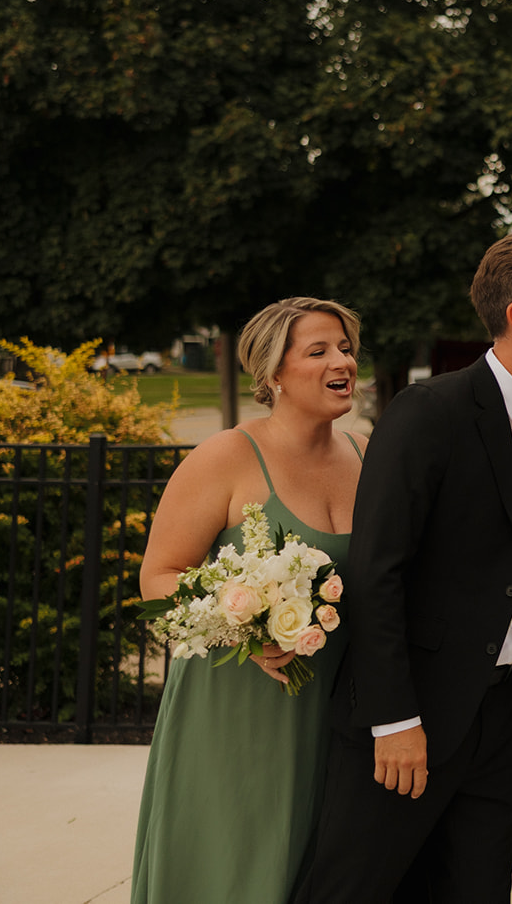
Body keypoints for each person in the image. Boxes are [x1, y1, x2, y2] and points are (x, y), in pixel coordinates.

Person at [300, 231, 512, 903]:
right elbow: (378, 573)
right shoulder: (427, 412)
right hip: (411, 720)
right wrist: (394, 718)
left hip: (499, 721)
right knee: (350, 891)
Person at [132, 297, 365, 904]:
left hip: (336, 708)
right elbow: (158, 577)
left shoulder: (369, 452)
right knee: (230, 867)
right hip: (236, 708)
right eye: (318, 351)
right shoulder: (226, 457)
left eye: (345, 348)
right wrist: (247, 630)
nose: (341, 361)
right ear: (272, 375)